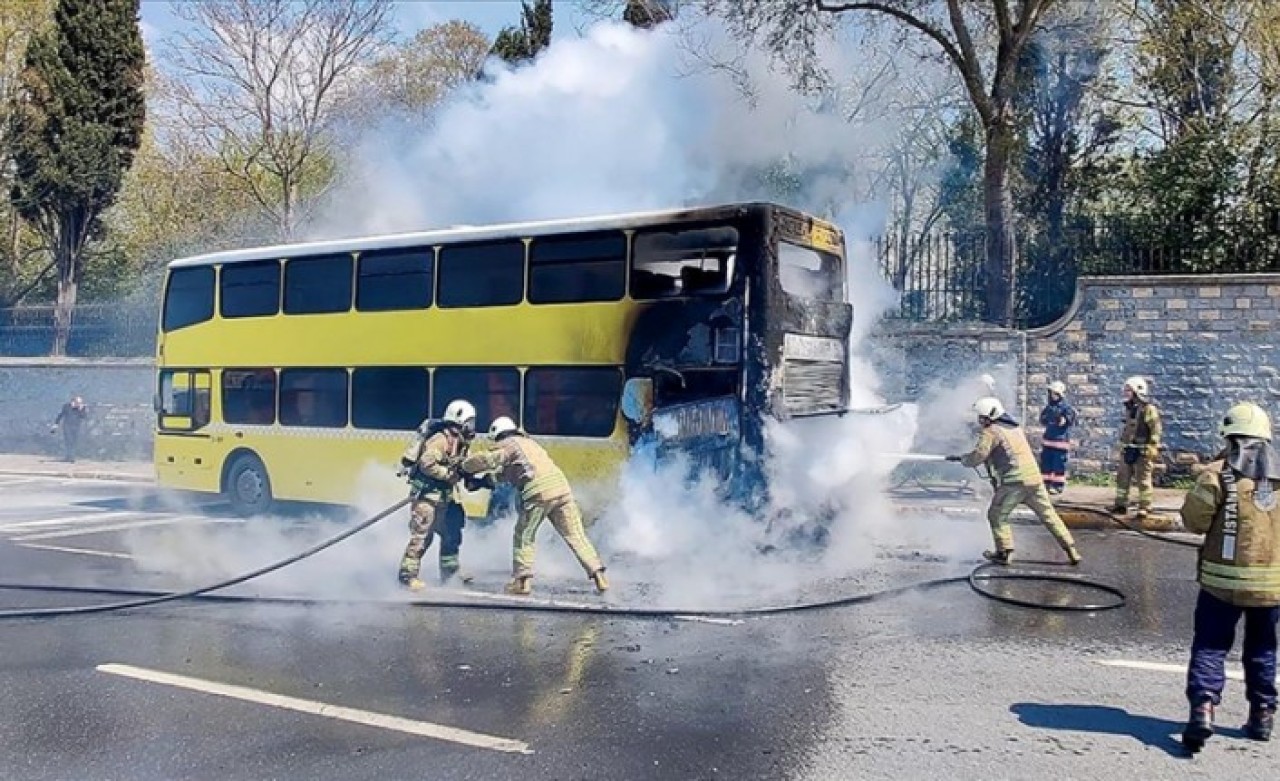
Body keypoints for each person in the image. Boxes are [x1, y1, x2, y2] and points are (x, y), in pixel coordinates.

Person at [1178, 401, 1280, 751]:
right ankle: (1262, 717)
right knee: (1263, 648)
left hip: (1220, 586)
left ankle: (1203, 710)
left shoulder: (1217, 473)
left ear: (1230, 437)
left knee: (1210, 646)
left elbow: (1194, 521)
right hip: (1271, 587)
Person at [460, 416, 609, 596]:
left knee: (524, 535)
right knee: (576, 535)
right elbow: (508, 474)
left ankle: (522, 583)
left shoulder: (509, 443)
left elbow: (488, 460)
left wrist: (464, 467)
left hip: (538, 492)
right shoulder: (530, 444)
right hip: (562, 489)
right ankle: (599, 576)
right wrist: (482, 482)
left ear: (499, 435)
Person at [947, 397, 1082, 566]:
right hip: (1034, 479)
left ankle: (1004, 552)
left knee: (996, 515)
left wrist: (963, 459)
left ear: (989, 416)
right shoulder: (1014, 427)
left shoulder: (991, 431)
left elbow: (979, 456)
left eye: (981, 417)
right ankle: (1071, 550)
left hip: (1014, 482)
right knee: (1049, 515)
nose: (979, 420)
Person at [396, 400, 476, 591]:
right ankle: (407, 577)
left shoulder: (460, 442)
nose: (472, 426)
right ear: (459, 420)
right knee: (422, 536)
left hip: (444, 498)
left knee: (451, 533)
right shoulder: (441, 439)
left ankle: (450, 574)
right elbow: (426, 463)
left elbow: (462, 465)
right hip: (427, 497)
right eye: (470, 422)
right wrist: (447, 475)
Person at [1113, 376, 1163, 520]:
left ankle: (1145, 506)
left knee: (1143, 479)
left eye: (1129, 390)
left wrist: (1153, 446)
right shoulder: (1129, 409)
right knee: (1122, 477)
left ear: (1137, 391)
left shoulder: (1149, 410)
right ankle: (1120, 504)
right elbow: (1127, 430)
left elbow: (1156, 429)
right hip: (1129, 449)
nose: (1126, 392)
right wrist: (1122, 445)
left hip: (1143, 451)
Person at [1038, 381, 1078, 495]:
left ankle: (1057, 486)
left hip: (1060, 442)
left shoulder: (1066, 408)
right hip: (1048, 441)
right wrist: (1046, 418)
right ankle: (1046, 483)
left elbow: (1068, 420)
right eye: (1051, 393)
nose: (1052, 396)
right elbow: (1043, 419)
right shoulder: (1049, 407)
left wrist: (1061, 419)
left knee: (1058, 464)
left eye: (1055, 393)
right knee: (1046, 463)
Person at [51, 396, 88, 462]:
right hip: (67, 426)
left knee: (74, 442)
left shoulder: (82, 408)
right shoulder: (67, 406)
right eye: (78, 402)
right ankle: (69, 456)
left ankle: (71, 457)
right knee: (69, 441)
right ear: (73, 401)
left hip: (76, 427)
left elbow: (84, 417)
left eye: (80, 402)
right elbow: (61, 415)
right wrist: (56, 424)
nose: (79, 404)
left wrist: (81, 410)